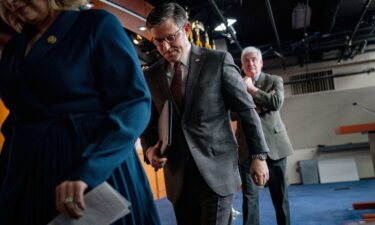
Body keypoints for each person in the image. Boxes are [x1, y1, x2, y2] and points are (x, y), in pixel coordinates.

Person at [0, 0, 161, 224]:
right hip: (30, 179)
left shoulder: (96, 24)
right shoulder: (13, 48)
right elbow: (17, 120)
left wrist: (90, 170)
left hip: (96, 175)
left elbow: (134, 104)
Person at [140, 3, 270, 225]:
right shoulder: (151, 75)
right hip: (178, 177)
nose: (165, 46)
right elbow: (148, 120)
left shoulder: (217, 62)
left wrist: (259, 156)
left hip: (216, 171)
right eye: (158, 41)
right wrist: (150, 149)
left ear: (187, 29)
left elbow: (246, 111)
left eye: (170, 37)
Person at [238, 46, 294, 225]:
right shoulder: (236, 84)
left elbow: (276, 103)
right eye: (246, 60)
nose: (250, 63)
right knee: (250, 198)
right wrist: (261, 104)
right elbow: (231, 112)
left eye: (254, 59)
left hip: (275, 146)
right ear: (241, 64)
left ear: (261, 63)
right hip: (248, 147)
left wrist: (252, 90)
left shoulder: (274, 80)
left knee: (280, 196)